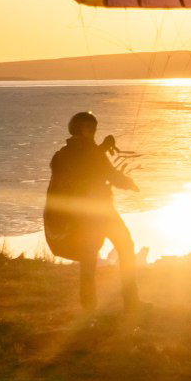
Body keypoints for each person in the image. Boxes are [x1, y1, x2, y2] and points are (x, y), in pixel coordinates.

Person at [43, 111, 142, 311]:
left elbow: (99, 169)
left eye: (94, 129)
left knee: (111, 250)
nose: (93, 132)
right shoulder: (72, 154)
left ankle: (121, 304)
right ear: (77, 129)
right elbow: (89, 171)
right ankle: (103, 306)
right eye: (88, 128)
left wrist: (124, 180)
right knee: (100, 254)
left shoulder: (79, 153)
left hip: (95, 212)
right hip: (91, 215)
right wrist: (126, 181)